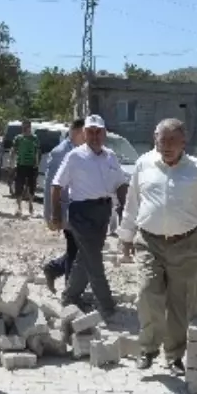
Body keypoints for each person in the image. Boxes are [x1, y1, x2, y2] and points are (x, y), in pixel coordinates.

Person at [119, 119, 197, 375]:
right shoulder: (143, 164)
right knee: (147, 294)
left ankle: (174, 356)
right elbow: (132, 203)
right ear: (154, 139)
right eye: (161, 140)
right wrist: (125, 236)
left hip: (186, 243)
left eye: (172, 141)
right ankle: (147, 348)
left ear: (183, 142)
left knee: (181, 302)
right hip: (149, 241)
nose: (166, 146)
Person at [49, 114, 128, 318]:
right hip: (81, 214)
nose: (94, 136)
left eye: (98, 132)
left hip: (103, 213)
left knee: (85, 258)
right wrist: (56, 215)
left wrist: (125, 208)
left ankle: (70, 296)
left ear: (104, 134)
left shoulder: (110, 156)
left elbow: (120, 183)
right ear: (84, 134)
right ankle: (106, 304)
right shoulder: (74, 156)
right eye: (90, 132)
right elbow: (57, 186)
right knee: (94, 260)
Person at [42, 119, 86, 291]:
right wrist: (52, 215)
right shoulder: (60, 152)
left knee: (78, 251)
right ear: (76, 132)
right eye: (85, 132)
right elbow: (50, 187)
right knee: (76, 251)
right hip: (66, 211)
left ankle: (54, 269)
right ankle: (70, 293)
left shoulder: (80, 150)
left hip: (80, 211)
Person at [12, 119, 40, 217]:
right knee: (19, 186)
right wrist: (11, 163)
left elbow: (36, 151)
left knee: (32, 186)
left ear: (30, 127)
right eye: (23, 126)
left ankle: (31, 205)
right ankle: (19, 207)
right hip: (20, 165)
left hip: (31, 166)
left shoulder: (34, 138)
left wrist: (36, 163)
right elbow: (14, 151)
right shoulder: (18, 138)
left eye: (27, 126)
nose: (25, 128)